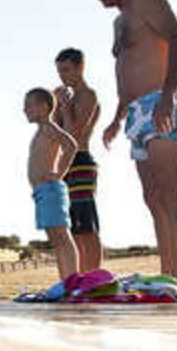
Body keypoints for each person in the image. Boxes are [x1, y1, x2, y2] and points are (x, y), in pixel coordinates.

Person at [90, 0, 177, 279]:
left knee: (170, 193)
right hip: (135, 113)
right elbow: (126, 72)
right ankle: (167, 273)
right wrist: (117, 119)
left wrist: (167, 96)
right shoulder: (118, 22)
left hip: (161, 102)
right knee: (152, 197)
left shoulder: (147, 0)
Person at [53, 48, 103, 272]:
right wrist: (53, 107)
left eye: (66, 70)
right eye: (59, 71)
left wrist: (64, 106)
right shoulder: (67, 98)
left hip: (81, 160)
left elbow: (75, 134)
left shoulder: (88, 95)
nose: (62, 76)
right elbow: (55, 132)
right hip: (65, 163)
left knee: (87, 224)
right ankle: (80, 277)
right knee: (74, 225)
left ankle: (94, 275)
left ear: (80, 67)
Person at [25, 88, 79, 280]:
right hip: (41, 191)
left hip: (50, 189)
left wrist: (59, 173)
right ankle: (65, 280)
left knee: (61, 236)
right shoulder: (41, 130)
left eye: (29, 105)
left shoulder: (49, 127)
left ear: (44, 107)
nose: (25, 109)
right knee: (55, 238)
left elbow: (71, 145)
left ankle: (72, 280)